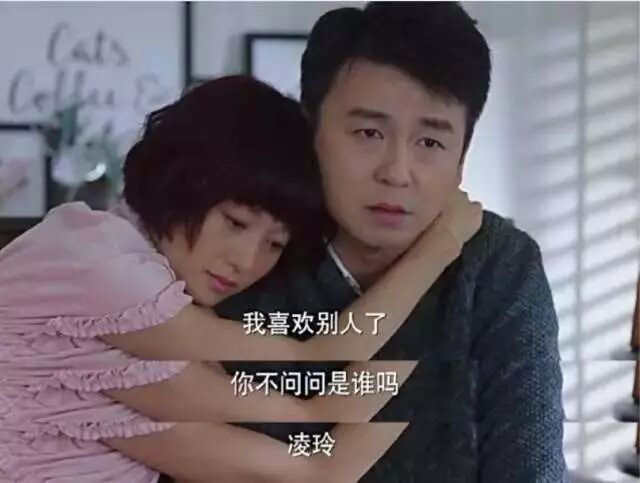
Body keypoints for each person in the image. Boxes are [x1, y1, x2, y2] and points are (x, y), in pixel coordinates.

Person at [0, 76, 481, 482]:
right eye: (235, 222)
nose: (245, 261)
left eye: (274, 244)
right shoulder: (103, 268)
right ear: (181, 179)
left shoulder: (114, 320)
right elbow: (318, 371)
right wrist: (442, 245)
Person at [207, 2, 566, 482]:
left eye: (430, 143)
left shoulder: (500, 266)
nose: (396, 172)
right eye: (369, 132)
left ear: (462, 156)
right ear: (310, 129)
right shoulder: (247, 251)